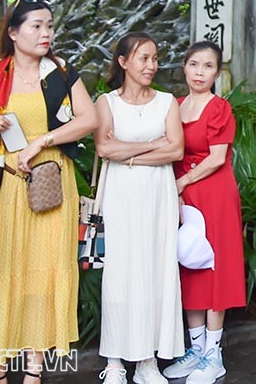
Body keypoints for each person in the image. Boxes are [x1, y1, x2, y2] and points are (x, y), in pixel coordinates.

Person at [0, 0, 99, 382]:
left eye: (49, 26)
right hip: (5, 187)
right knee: (1, 269)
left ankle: (34, 372)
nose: (46, 33)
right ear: (13, 32)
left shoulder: (59, 72)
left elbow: (88, 119)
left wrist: (43, 140)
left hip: (51, 185)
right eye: (36, 26)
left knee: (45, 273)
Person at [95, 32, 185, 384]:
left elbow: (175, 150)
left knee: (155, 269)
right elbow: (104, 148)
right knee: (120, 272)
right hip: (121, 195)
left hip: (157, 194)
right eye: (143, 58)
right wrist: (151, 146)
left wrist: (129, 152)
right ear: (123, 62)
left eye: (155, 58)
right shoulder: (107, 102)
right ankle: (115, 361)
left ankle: (148, 362)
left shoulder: (166, 102)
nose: (151, 65)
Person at [162, 41, 245, 383]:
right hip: (183, 194)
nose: (200, 72)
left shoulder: (218, 108)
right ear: (184, 67)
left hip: (213, 193)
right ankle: (195, 350)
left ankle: (214, 355)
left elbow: (215, 157)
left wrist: (182, 183)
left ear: (217, 72)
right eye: (194, 64)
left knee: (214, 268)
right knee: (188, 265)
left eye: (207, 66)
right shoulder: (175, 106)